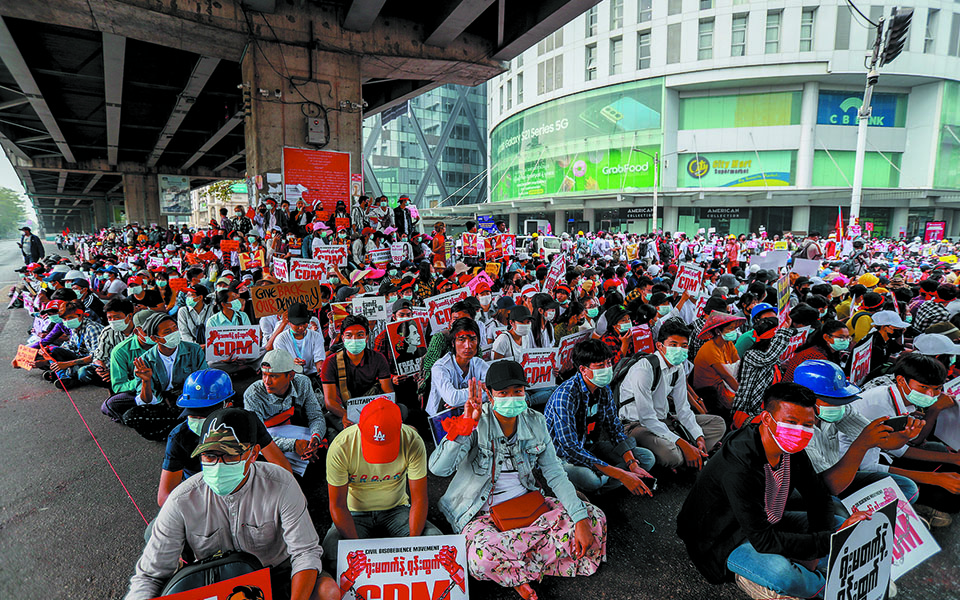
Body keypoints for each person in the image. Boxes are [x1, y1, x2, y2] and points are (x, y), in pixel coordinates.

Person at [429, 361, 607, 600]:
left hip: (528, 505)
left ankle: (514, 569)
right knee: (481, 557)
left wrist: (580, 519)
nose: (511, 398)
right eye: (503, 393)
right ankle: (517, 567)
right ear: (490, 395)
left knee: (595, 519)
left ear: (525, 392)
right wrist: (465, 426)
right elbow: (438, 469)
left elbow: (555, 474)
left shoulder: (536, 421)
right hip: (481, 515)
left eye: (517, 391)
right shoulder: (475, 422)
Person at [677, 382, 870, 600]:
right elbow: (763, 541)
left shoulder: (791, 448)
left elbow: (818, 497)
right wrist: (828, 541)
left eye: (808, 424)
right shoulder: (739, 464)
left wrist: (821, 544)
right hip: (725, 539)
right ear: (767, 419)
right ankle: (825, 585)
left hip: (769, 521)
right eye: (792, 422)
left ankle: (816, 574)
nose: (801, 431)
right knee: (783, 574)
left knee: (841, 524)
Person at [123, 408, 340, 600]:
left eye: (229, 455)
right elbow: (150, 575)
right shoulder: (181, 500)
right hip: (215, 582)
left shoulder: (282, 484)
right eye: (209, 456)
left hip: (276, 572)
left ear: (253, 453)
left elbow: (305, 553)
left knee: (327, 592)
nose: (218, 465)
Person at [323, 397, 441, 574]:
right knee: (332, 554)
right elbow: (338, 506)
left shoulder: (412, 440)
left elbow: (420, 499)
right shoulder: (341, 446)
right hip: (354, 512)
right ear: (359, 428)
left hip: (396, 509)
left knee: (435, 543)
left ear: (400, 428)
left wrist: (413, 546)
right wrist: (357, 551)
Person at [841, 353, 960, 526]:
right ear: (902, 381)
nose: (931, 394)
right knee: (940, 496)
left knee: (939, 452)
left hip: (880, 457)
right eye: (923, 387)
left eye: (937, 389)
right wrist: (935, 478)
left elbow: (898, 448)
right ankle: (912, 508)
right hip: (853, 471)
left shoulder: (898, 398)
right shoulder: (879, 407)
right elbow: (870, 467)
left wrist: (953, 458)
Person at [791, 360, 922, 505]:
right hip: (812, 488)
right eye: (831, 400)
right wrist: (861, 445)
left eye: (840, 399)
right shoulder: (794, 430)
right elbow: (831, 487)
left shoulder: (840, 409)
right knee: (833, 507)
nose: (838, 405)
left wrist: (904, 436)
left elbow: (883, 441)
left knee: (906, 487)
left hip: (838, 475)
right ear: (804, 397)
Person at [159, 369, 291, 506]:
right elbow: (164, 496)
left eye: (205, 415)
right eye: (193, 415)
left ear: (227, 406)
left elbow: (282, 469)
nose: (198, 420)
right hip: (202, 498)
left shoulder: (247, 423)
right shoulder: (179, 437)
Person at [545, 339, 656, 495]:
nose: (607, 369)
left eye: (608, 363)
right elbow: (570, 448)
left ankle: (610, 479)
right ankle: (608, 481)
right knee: (592, 480)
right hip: (562, 457)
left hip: (590, 447)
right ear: (583, 369)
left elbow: (615, 429)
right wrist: (620, 473)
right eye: (600, 366)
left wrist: (631, 463)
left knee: (646, 458)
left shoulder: (603, 389)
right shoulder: (565, 396)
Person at [620, 319, 726, 470]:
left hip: (665, 420)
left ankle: (692, 450)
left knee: (718, 423)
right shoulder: (644, 369)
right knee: (671, 455)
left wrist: (699, 437)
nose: (679, 350)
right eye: (673, 345)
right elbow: (647, 418)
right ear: (659, 346)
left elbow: (683, 409)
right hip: (637, 425)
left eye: (684, 346)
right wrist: (683, 443)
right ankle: (688, 451)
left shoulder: (678, 368)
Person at [125, 315, 207, 441]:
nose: (174, 333)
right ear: (154, 338)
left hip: (191, 402)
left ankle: (179, 431)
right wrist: (146, 381)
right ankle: (184, 430)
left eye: (175, 329)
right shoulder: (145, 361)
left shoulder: (194, 350)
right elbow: (147, 400)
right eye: (168, 332)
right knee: (130, 416)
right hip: (165, 406)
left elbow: (205, 382)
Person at [244, 349, 328, 470]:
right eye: (264, 375)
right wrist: (293, 445)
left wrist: (315, 438)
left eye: (273, 376)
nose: (267, 381)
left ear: (291, 376)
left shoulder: (303, 383)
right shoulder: (253, 394)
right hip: (267, 439)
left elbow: (315, 416)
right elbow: (258, 435)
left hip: (296, 432)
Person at [427, 318, 490, 416]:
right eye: (461, 339)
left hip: (471, 414)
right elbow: (453, 399)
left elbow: (494, 390)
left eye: (473, 339)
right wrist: (481, 388)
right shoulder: (440, 367)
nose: (468, 346)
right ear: (453, 343)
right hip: (441, 418)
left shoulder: (479, 363)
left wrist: (464, 400)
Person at [268, 303, 327, 381]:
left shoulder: (316, 336)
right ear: (289, 322)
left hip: (312, 375)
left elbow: (319, 360)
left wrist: (321, 370)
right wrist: (291, 363)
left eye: (304, 323)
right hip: (291, 377)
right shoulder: (280, 340)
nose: (301, 327)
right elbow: (281, 365)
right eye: (297, 324)